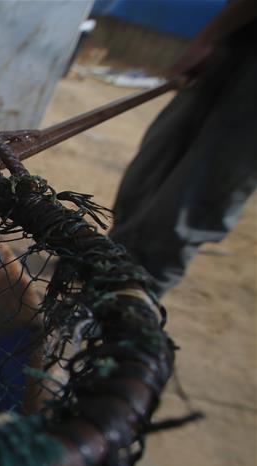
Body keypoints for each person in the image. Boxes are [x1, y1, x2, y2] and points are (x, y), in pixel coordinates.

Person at [109, 0, 257, 296]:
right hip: (241, 39)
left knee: (195, 196)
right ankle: (104, 263)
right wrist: (211, 37)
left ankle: (129, 302)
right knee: (150, 168)